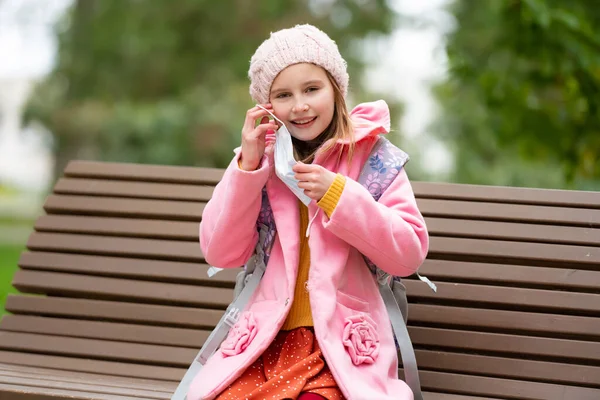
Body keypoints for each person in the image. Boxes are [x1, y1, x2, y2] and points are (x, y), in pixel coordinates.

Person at [188, 24, 429, 400]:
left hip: (339, 347)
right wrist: (248, 170)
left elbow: (408, 254)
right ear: (267, 106)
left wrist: (338, 194)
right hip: (267, 343)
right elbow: (220, 252)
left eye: (312, 89)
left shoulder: (372, 158)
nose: (299, 106)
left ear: (336, 89)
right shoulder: (259, 162)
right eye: (283, 95)